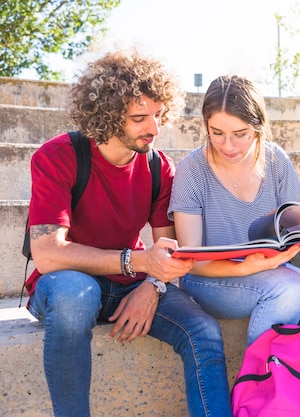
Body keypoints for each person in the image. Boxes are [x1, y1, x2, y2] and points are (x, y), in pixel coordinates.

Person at [25, 51, 232, 417]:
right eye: (139, 118)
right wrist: (135, 260)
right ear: (106, 114)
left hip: (131, 284)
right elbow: (47, 253)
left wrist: (153, 287)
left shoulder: (159, 167)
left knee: (204, 331)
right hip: (66, 285)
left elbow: (168, 251)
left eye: (156, 114)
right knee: (76, 295)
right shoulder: (57, 156)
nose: (153, 127)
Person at [168, 75, 300, 417]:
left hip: (271, 267)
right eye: (216, 132)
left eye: (240, 134)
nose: (228, 145)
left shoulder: (275, 160)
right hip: (210, 278)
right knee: (285, 288)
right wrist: (249, 267)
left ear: (259, 127)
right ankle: (261, 405)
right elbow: (192, 260)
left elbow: (297, 219)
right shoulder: (192, 169)